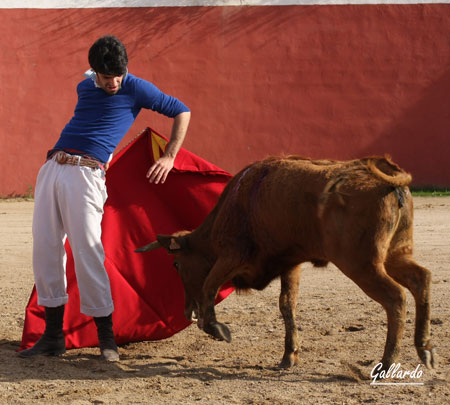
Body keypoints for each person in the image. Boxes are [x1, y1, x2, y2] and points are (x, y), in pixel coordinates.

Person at [19, 35, 191, 362]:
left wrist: (169, 155)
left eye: (118, 75)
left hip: (86, 174)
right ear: (95, 71)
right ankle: (53, 337)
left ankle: (106, 340)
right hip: (53, 167)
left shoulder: (137, 88)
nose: (113, 82)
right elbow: (87, 78)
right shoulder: (86, 85)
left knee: (88, 251)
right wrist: (93, 75)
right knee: (45, 249)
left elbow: (182, 111)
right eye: (105, 75)